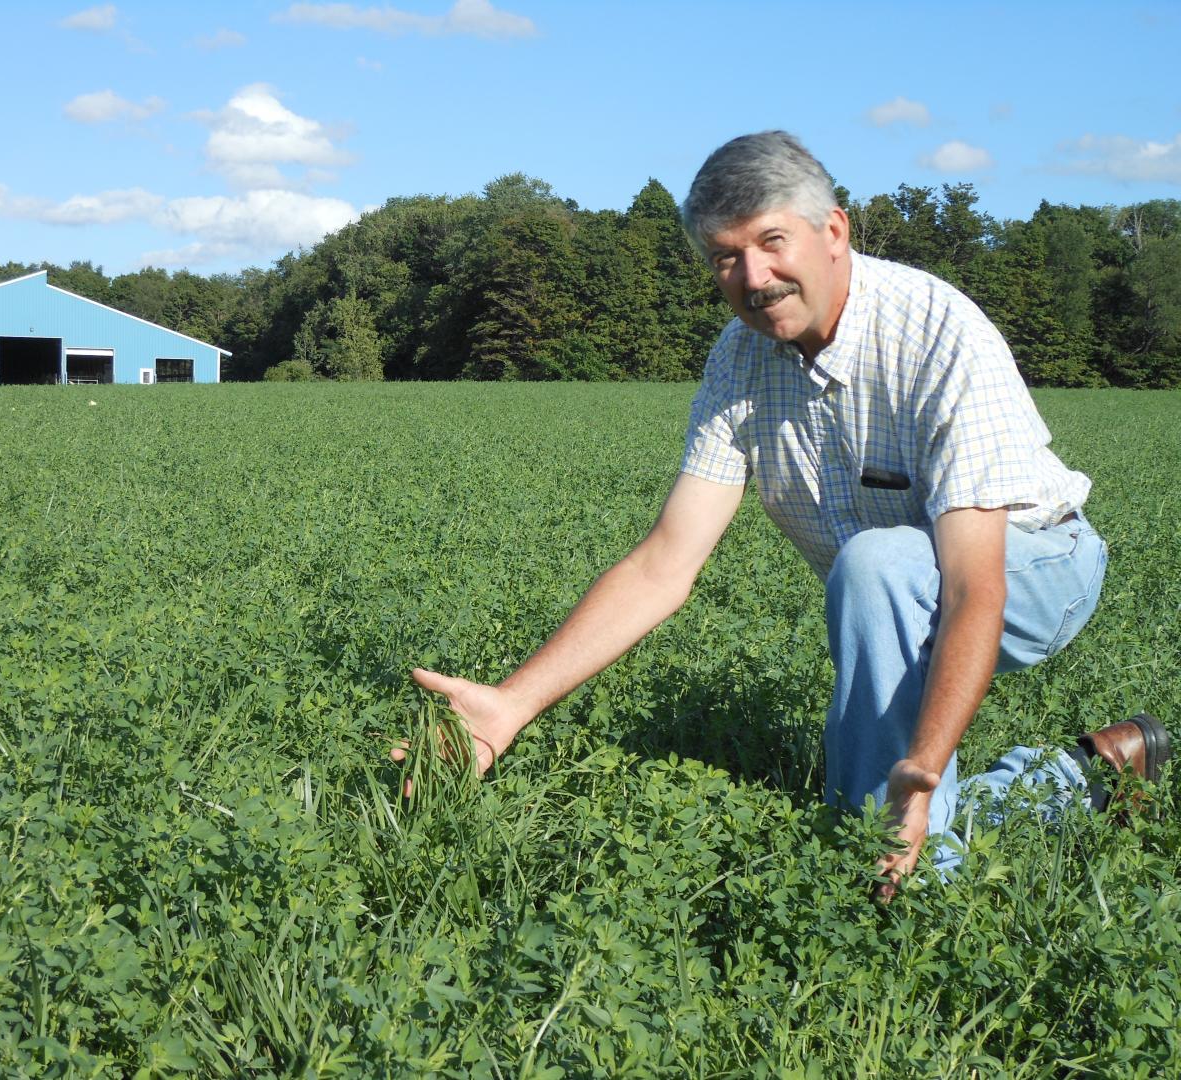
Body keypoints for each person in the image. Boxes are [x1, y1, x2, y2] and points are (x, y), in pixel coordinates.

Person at [393, 130, 1170, 894]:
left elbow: (974, 586)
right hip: (899, 590)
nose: (753, 277)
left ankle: (913, 897)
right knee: (868, 772)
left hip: (1039, 563)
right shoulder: (740, 359)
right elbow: (664, 563)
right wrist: (511, 703)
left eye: (770, 241)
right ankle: (1076, 777)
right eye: (725, 257)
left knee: (879, 578)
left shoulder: (939, 332)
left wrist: (926, 768)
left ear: (834, 231)